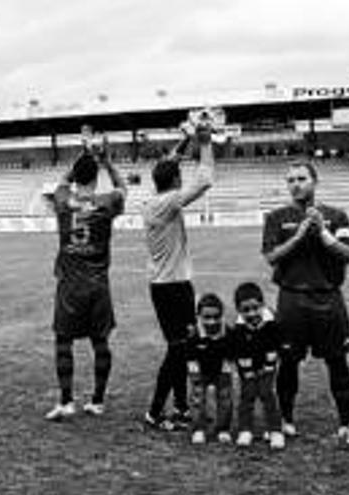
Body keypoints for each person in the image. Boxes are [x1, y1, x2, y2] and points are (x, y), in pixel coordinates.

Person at [262, 161, 349, 446]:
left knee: (337, 362)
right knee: (289, 362)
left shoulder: (336, 216)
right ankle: (287, 421)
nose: (296, 184)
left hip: (328, 298)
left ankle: (346, 424)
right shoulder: (277, 217)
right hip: (292, 299)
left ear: (315, 182)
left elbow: (348, 254)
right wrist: (300, 234)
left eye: (302, 178)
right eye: (290, 179)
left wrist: (323, 233)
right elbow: (272, 257)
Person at [44, 139, 126, 421]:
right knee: (100, 342)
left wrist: (83, 154)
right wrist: (107, 162)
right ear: (96, 176)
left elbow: (61, 181)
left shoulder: (63, 200)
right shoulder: (106, 203)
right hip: (98, 284)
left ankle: (66, 401)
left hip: (70, 284)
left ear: (76, 176)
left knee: (63, 342)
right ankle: (98, 400)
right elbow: (123, 189)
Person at [142, 120, 215, 431]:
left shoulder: (154, 200)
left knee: (182, 347)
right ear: (173, 180)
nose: (180, 175)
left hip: (165, 284)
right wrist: (205, 142)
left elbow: (170, 162)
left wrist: (185, 142)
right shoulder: (169, 201)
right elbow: (205, 181)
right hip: (173, 286)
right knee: (178, 349)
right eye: (178, 175)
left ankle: (182, 407)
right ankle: (155, 411)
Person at [231, 282, 284, 449]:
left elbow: (274, 346)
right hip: (246, 368)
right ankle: (245, 430)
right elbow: (240, 352)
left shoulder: (271, 323)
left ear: (262, 305)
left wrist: (268, 367)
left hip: (268, 364)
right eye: (245, 310)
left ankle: (275, 430)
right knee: (247, 395)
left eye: (255, 308)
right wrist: (247, 372)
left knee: (267, 393)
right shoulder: (239, 328)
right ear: (238, 310)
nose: (251, 313)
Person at [186, 293, 233, 445]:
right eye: (206, 317)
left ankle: (223, 429)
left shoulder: (227, 331)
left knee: (225, 397)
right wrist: (194, 370)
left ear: (222, 315)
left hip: (221, 370)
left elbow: (232, 352)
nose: (212, 322)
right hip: (200, 370)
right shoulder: (194, 333)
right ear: (198, 315)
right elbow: (189, 354)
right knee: (198, 398)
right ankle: (198, 429)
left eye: (216, 317)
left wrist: (227, 365)